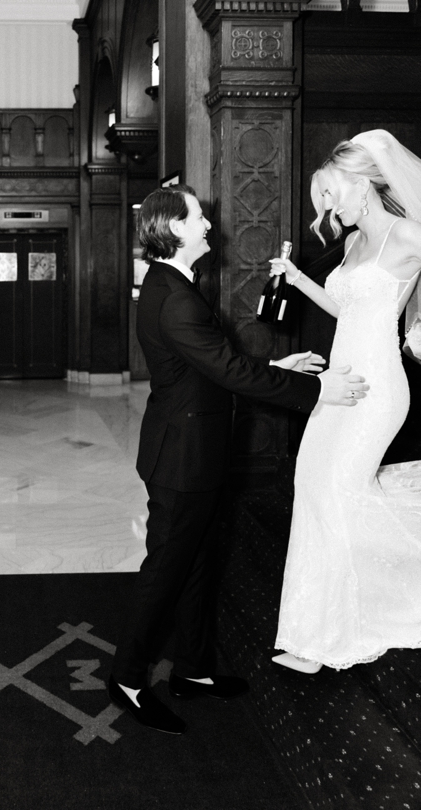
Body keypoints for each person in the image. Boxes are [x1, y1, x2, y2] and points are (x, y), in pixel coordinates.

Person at [108, 184, 369, 735]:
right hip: (181, 459)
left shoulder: (172, 284)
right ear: (174, 229)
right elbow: (226, 371)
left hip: (192, 452)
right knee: (166, 571)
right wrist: (316, 389)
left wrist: (286, 366)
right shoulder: (175, 295)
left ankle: (193, 671)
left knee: (200, 564)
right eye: (200, 217)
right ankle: (127, 678)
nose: (209, 225)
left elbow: (214, 363)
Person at [271, 130, 421, 675]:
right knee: (311, 484)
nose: (327, 208)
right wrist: (296, 279)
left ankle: (330, 639)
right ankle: (312, 630)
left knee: (337, 490)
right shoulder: (356, 243)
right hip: (337, 384)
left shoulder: (407, 234)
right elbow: (346, 308)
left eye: (332, 195)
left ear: (364, 186)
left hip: (378, 388)